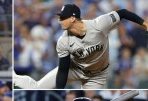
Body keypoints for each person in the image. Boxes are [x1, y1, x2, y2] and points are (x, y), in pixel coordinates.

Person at [14, 4, 148, 89]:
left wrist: (144, 23)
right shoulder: (63, 40)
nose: (59, 20)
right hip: (75, 68)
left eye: (62, 18)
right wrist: (59, 91)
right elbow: (63, 71)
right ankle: (13, 77)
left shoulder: (98, 24)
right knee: (38, 87)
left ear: (72, 19)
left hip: (96, 75)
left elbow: (123, 12)